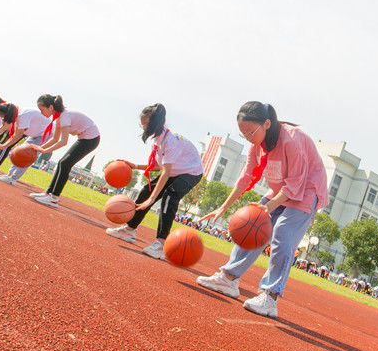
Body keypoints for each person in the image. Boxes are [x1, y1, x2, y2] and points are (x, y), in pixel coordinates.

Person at [196, 101, 328, 318]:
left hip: (307, 190)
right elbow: (245, 177)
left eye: (250, 132)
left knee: (282, 236)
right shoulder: (256, 145)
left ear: (266, 124)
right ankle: (229, 279)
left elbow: (296, 183)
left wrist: (268, 207)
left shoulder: (292, 139)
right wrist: (223, 207)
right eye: (243, 134)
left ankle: (270, 297)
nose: (247, 137)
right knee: (252, 224)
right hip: (280, 189)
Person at [105, 104, 203, 259]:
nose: (143, 127)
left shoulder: (170, 141)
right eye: (142, 124)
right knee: (146, 190)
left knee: (169, 196)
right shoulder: (157, 141)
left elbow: (166, 172)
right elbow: (158, 166)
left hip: (191, 172)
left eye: (145, 124)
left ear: (155, 123)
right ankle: (129, 230)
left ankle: (161, 244)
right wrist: (134, 166)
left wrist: (152, 199)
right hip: (175, 171)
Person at [26, 94, 100, 208]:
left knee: (65, 164)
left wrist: (44, 150)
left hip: (91, 139)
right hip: (84, 138)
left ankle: (54, 198)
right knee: (62, 163)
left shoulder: (64, 117)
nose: (41, 113)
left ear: (50, 107)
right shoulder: (58, 117)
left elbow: (63, 141)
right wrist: (40, 148)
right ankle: (49, 193)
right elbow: (55, 139)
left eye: (42, 110)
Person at [0, 102, 50, 185]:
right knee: (19, 152)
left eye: (3, 116)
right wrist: (4, 144)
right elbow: (16, 134)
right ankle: (9, 175)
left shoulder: (22, 115)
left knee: (27, 155)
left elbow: (19, 134)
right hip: (36, 134)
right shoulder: (17, 115)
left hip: (45, 134)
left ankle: (13, 178)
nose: (3, 119)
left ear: (7, 114)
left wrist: (4, 145)